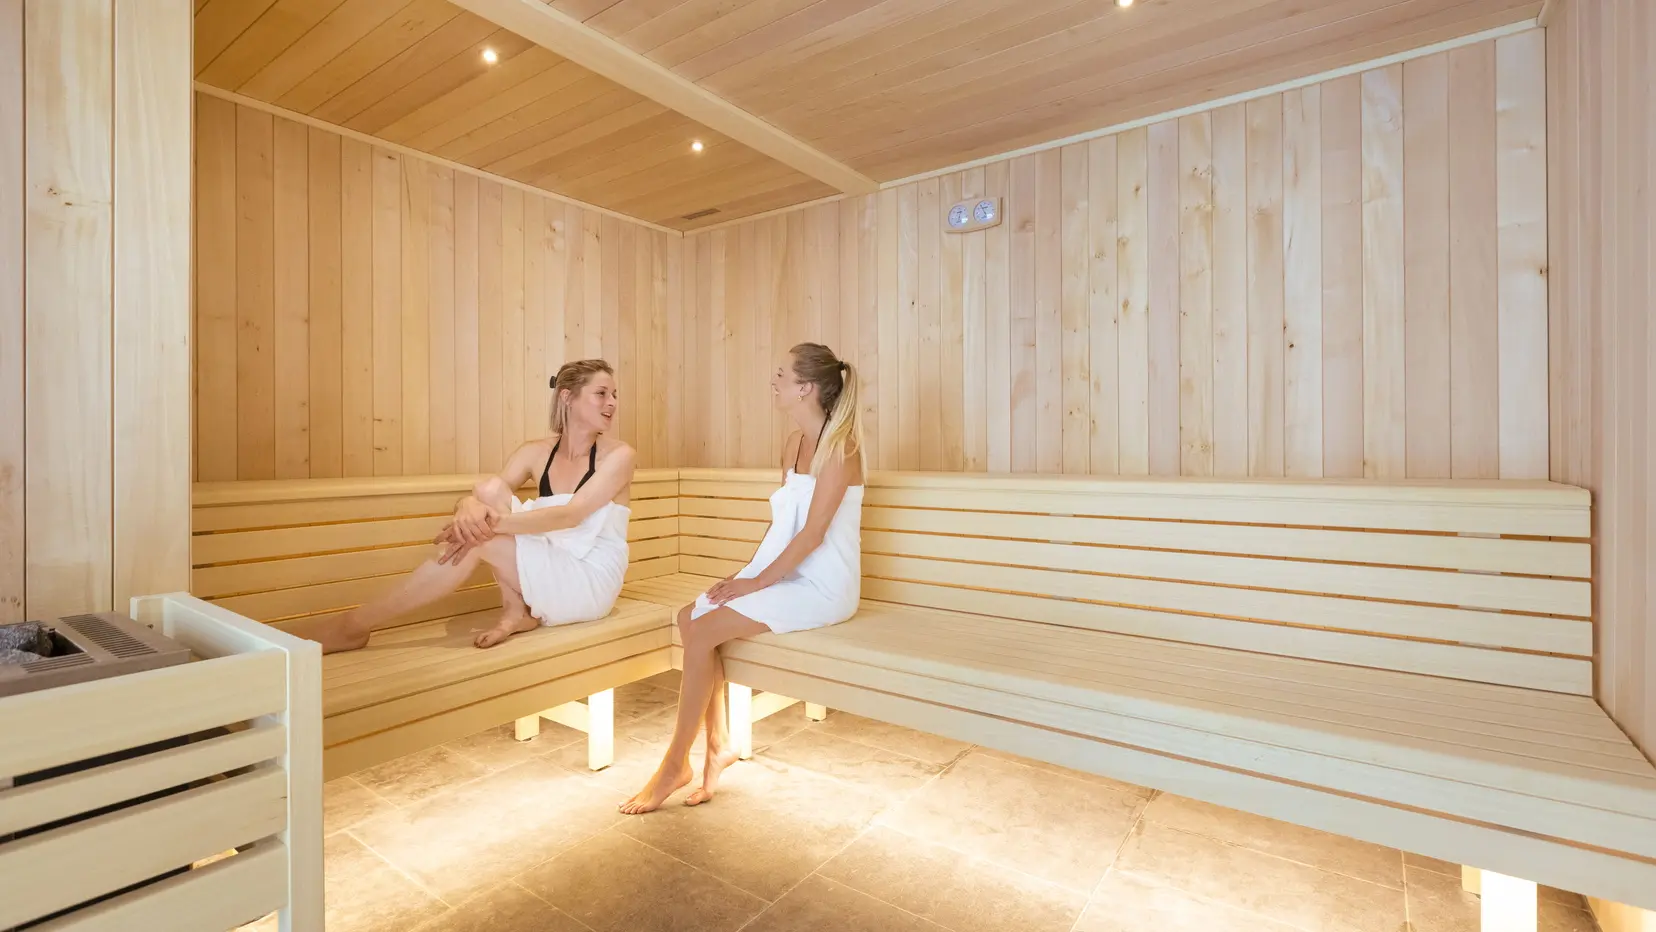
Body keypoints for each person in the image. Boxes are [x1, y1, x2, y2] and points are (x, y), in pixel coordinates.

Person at [621, 343, 865, 814]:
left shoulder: (841, 448)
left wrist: (756, 584)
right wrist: (746, 573)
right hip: (787, 575)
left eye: (782, 375)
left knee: (704, 629)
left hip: (824, 587)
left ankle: (675, 763)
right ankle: (718, 745)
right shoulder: (794, 444)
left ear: (805, 388)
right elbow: (783, 526)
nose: (774, 382)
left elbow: (813, 534)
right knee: (690, 616)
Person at [301, 359, 636, 654]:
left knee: (479, 537)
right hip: (551, 557)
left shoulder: (619, 456)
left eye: (614, 395)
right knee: (487, 490)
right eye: (601, 393)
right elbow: (488, 493)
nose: (612, 403)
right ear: (567, 397)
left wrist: (487, 524)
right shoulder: (535, 452)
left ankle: (353, 625)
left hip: (590, 576)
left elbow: (570, 515)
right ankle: (516, 610)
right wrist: (466, 505)